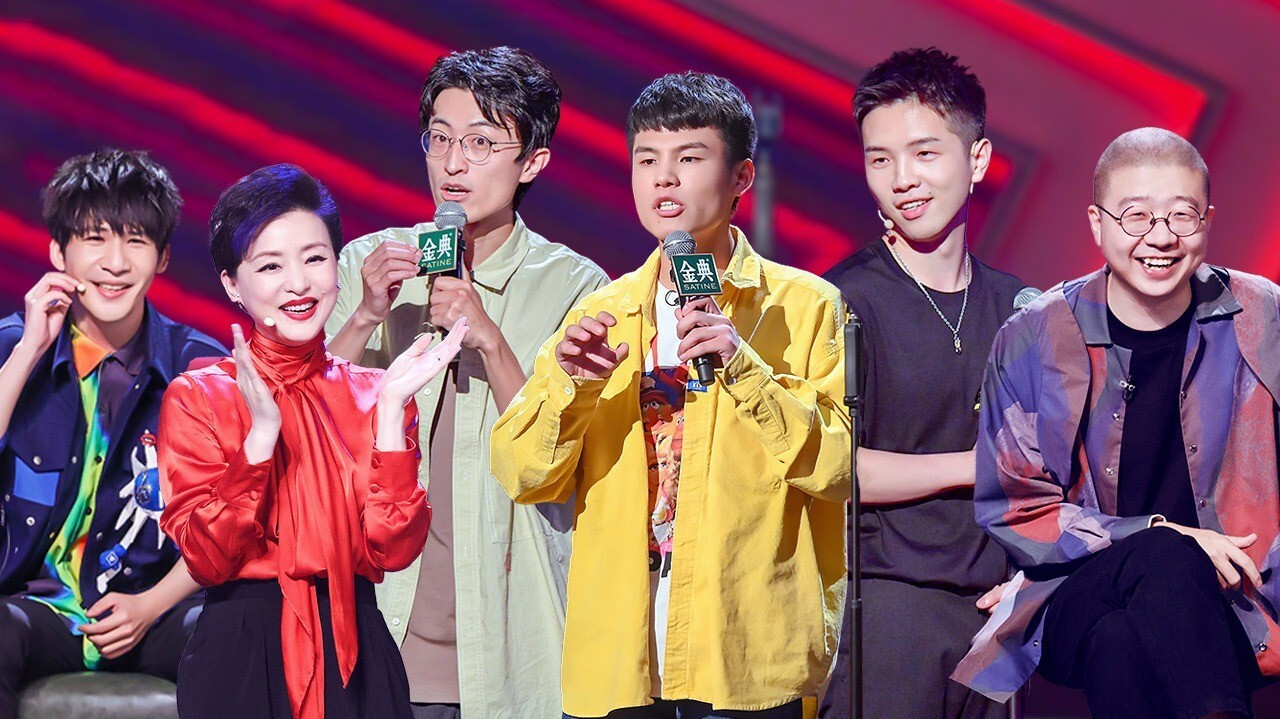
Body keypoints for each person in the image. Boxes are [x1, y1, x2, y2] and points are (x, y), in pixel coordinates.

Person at [492, 72, 850, 719]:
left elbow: (838, 469)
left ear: (741, 177)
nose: (664, 179)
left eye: (688, 158)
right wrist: (572, 386)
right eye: (647, 160)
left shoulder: (805, 307)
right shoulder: (601, 313)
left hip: (744, 655)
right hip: (617, 660)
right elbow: (523, 474)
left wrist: (741, 366)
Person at [953, 127, 1280, 719]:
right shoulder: (1033, 337)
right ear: (1097, 223)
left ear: (1207, 221)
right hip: (1077, 591)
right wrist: (1162, 534)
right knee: (1164, 555)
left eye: (1182, 216)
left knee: (1120, 643)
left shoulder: (1263, 317)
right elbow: (1016, 508)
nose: (1161, 237)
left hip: (1236, 599)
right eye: (1136, 217)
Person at [324, 46, 608, 719]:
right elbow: (309, 426)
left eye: (481, 143)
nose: (454, 164)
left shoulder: (576, 287)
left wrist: (489, 337)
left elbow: (559, 464)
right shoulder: (369, 263)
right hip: (379, 631)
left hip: (509, 644)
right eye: (441, 138)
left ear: (532, 162)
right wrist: (365, 316)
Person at [158, 164, 468, 719]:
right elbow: (207, 559)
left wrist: (391, 412)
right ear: (232, 284)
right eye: (270, 266)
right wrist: (260, 441)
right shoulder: (199, 396)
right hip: (241, 655)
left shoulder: (376, 392)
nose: (298, 283)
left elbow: (394, 549)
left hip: (356, 649)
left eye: (315, 258)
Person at [820, 47, 1022, 719]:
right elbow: (828, 463)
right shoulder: (841, 301)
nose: (902, 179)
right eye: (880, 160)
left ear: (978, 159)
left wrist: (1035, 575)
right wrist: (977, 465)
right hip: (885, 612)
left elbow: (1056, 469)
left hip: (997, 619)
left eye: (924, 153)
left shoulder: (1022, 309)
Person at [0, 149, 224, 717]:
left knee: (234, 630)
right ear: (59, 252)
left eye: (136, 241)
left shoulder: (201, 368)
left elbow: (232, 517)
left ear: (163, 256)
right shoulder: (12, 347)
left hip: (155, 607)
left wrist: (151, 605)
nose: (116, 263)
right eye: (95, 239)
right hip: (35, 606)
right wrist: (28, 351)